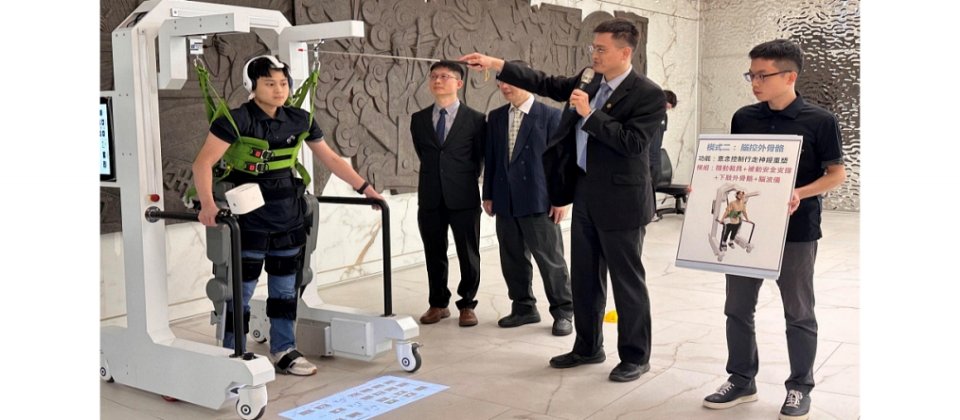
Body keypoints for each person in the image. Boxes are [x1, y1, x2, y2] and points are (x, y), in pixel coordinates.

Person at [460, 17, 666, 383]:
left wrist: (590, 114)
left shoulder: (648, 94)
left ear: (625, 52)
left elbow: (633, 144)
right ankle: (587, 347)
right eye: (593, 47)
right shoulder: (589, 79)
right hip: (584, 191)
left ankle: (635, 357)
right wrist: (496, 64)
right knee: (585, 279)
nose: (594, 54)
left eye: (601, 49)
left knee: (627, 283)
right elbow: (545, 83)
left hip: (622, 200)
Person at [192, 55, 384, 376]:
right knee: (240, 291)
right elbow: (202, 163)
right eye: (269, 83)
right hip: (248, 218)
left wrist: (366, 189)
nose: (279, 89)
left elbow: (331, 158)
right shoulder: (236, 119)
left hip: (288, 215)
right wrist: (208, 205)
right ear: (252, 86)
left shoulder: (300, 119)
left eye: (283, 83)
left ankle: (284, 349)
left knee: (284, 291)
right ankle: (231, 352)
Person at [701, 39, 846, 420]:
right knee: (737, 308)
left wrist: (799, 192)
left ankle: (799, 386)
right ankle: (741, 379)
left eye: (762, 75)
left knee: (798, 312)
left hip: (796, 231)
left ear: (790, 76)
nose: (754, 83)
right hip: (745, 227)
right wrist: (706, 187)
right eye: (751, 75)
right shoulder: (744, 118)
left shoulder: (820, 121)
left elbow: (836, 174)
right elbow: (734, 169)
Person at [482, 60, 573, 336]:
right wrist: (488, 194)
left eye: (509, 81)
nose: (504, 86)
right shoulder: (496, 117)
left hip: (539, 199)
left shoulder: (550, 115)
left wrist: (561, 198)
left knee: (550, 259)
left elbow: (563, 161)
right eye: (500, 81)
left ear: (528, 81)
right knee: (512, 258)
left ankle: (563, 311)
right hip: (505, 200)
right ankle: (523, 308)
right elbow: (492, 158)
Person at [409, 61, 487, 327]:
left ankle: (467, 304)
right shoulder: (419, 119)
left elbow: (479, 158)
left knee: (468, 253)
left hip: (463, 196)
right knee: (434, 252)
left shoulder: (476, 120)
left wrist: (461, 179)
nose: (437, 81)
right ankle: (438, 303)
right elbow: (425, 154)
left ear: (459, 83)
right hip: (430, 197)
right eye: (433, 76)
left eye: (444, 76)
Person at [649, 89, 677, 188]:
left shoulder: (664, 116)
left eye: (668, 108)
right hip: (645, 155)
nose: (666, 110)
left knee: (654, 186)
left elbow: (660, 134)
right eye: (666, 106)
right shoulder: (648, 112)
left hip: (656, 156)